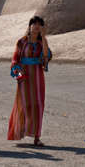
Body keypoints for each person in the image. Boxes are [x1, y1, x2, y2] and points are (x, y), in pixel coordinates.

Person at [8, 15, 51, 146]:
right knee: (24, 104)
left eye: (40, 24)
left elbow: (45, 56)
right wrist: (18, 70)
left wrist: (43, 37)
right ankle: (20, 131)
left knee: (38, 104)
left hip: (37, 75)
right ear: (30, 25)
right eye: (35, 24)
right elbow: (15, 58)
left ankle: (37, 137)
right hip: (24, 75)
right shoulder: (22, 41)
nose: (37, 26)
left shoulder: (41, 42)